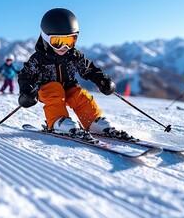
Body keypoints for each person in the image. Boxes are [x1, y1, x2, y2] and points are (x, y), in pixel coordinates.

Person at [18, 8, 125, 137]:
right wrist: (27, 91)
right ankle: (58, 121)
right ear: (46, 38)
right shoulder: (38, 58)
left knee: (80, 96)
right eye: (58, 42)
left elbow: (89, 69)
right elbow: (26, 75)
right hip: (47, 88)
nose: (65, 48)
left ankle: (92, 121)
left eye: (69, 41)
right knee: (55, 90)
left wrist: (101, 79)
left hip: (69, 87)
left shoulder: (74, 55)